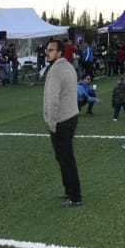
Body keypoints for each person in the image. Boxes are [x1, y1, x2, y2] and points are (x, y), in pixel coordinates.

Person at [42, 39, 82, 206]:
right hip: (71, 117)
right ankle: (69, 190)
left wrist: (51, 124)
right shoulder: (68, 66)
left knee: (66, 160)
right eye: (47, 50)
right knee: (64, 158)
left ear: (59, 52)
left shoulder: (56, 71)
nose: (47, 53)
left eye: (51, 50)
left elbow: (52, 100)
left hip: (62, 120)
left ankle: (75, 197)